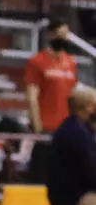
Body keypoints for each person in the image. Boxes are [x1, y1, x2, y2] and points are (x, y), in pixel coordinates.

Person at [25, 19, 78, 183]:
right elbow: (32, 96)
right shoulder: (36, 62)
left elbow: (72, 96)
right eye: (59, 35)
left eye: (65, 35)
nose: (63, 38)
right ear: (49, 35)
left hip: (66, 130)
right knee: (41, 178)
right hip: (46, 129)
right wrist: (38, 126)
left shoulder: (70, 63)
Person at [47, 84, 96, 205]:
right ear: (88, 108)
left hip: (70, 195)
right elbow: (91, 172)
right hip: (74, 200)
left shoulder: (73, 128)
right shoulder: (77, 135)